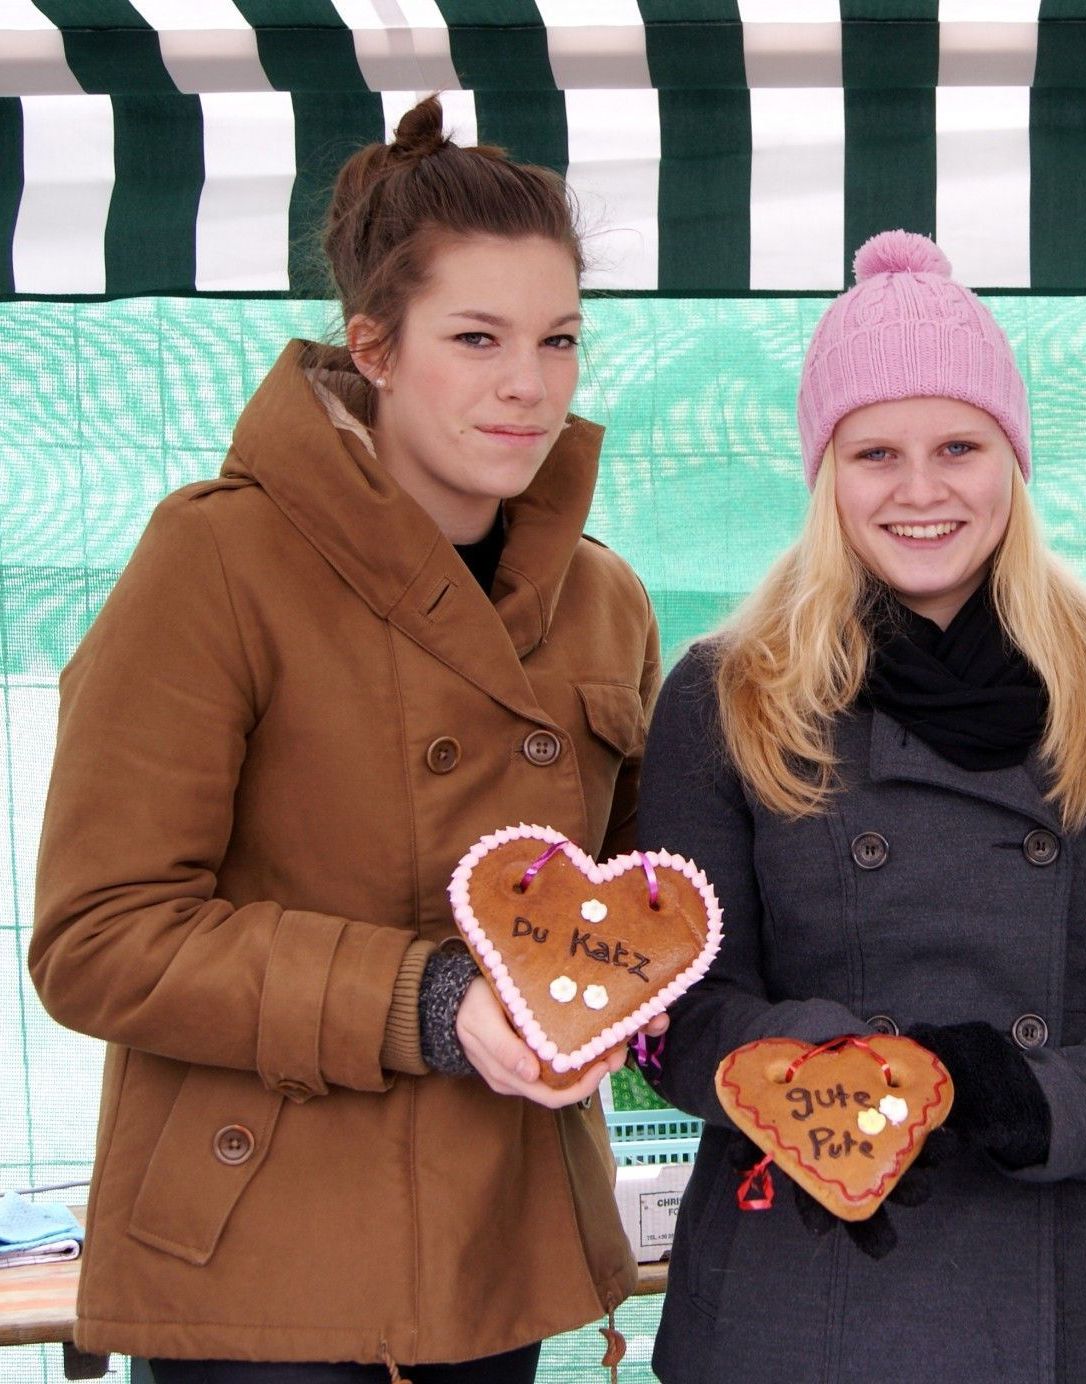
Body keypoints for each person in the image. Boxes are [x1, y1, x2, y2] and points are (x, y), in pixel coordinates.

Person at [29, 96, 661, 1382]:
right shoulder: (215, 556)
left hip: (500, 1248)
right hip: (263, 1265)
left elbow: (634, 911)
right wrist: (431, 1002)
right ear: (373, 346)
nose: (528, 384)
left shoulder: (604, 596)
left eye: (560, 339)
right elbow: (98, 937)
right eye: (475, 338)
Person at [634, 230, 1086, 1383]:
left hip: (1075, 1292)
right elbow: (675, 1008)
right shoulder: (727, 695)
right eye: (875, 453)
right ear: (825, 470)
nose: (921, 491)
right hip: (798, 1293)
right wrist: (828, 1076)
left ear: (1013, 457)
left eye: (959, 444)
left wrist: (1032, 1099)